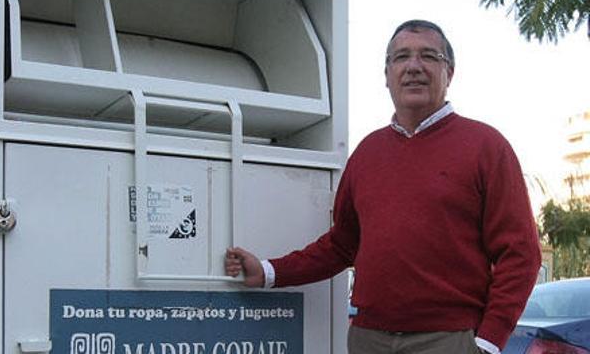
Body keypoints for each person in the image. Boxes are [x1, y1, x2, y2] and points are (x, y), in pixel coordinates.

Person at [225, 20, 541, 354]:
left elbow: (521, 254)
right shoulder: (367, 153)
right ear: (387, 74)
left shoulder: (486, 147)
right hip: (369, 338)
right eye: (401, 57)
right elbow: (341, 245)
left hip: (448, 339)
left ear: (449, 72)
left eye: (428, 57)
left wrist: (488, 343)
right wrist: (270, 271)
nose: (414, 67)